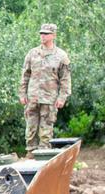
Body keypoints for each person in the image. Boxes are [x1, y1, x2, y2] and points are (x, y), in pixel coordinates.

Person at [19, 23, 71, 155]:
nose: (43, 36)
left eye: (46, 34)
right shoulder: (33, 53)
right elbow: (25, 74)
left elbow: (65, 79)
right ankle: (30, 154)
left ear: (53, 35)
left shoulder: (61, 56)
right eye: (41, 33)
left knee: (46, 129)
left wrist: (62, 97)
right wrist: (22, 93)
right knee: (30, 127)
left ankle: (43, 155)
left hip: (49, 98)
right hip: (32, 97)